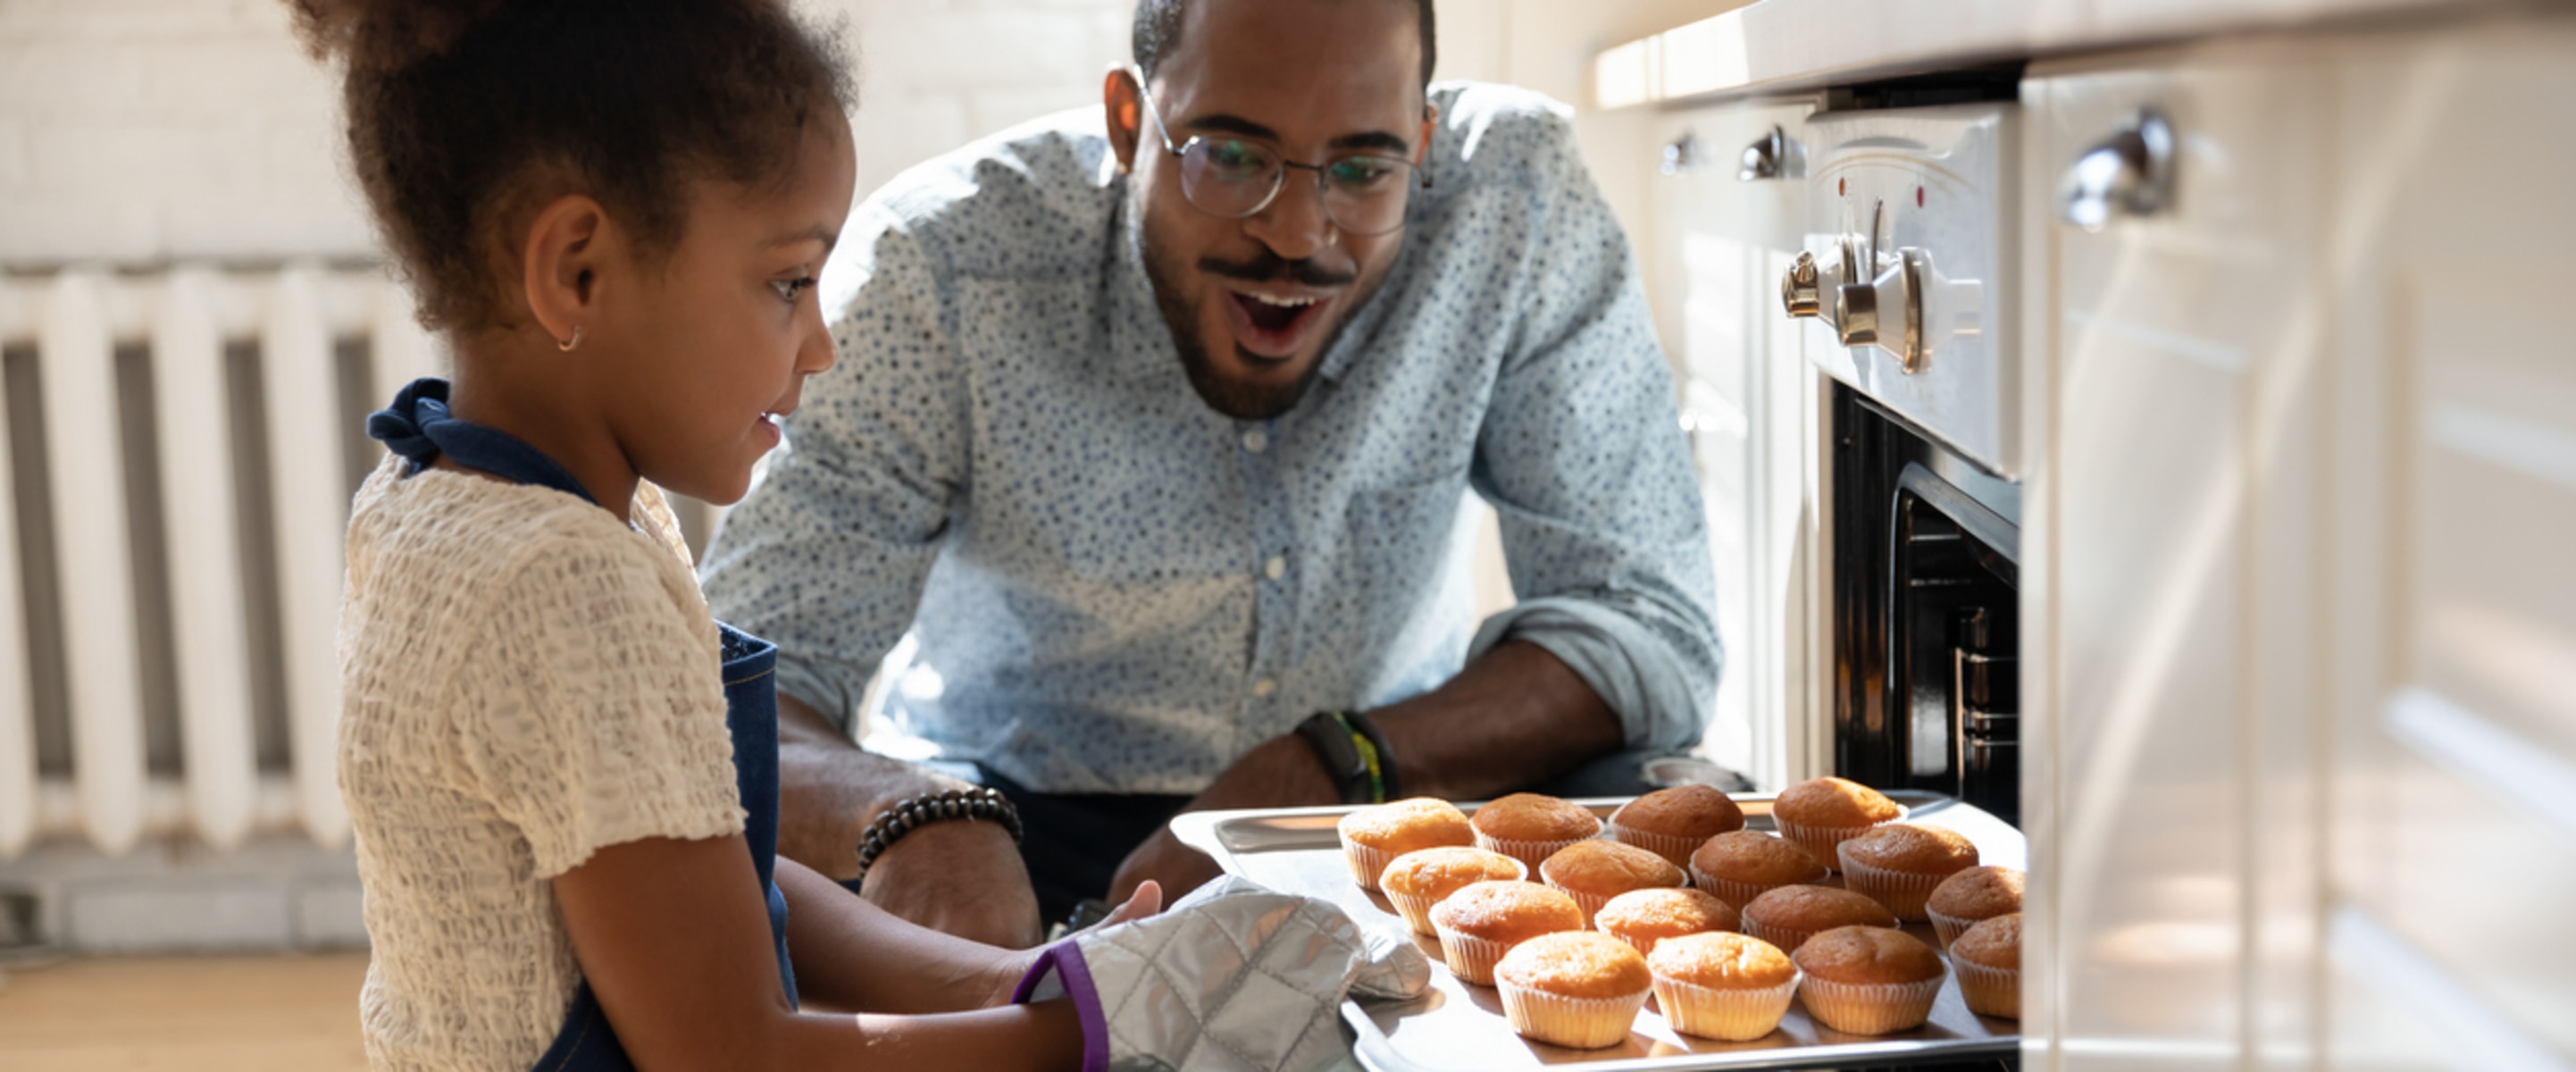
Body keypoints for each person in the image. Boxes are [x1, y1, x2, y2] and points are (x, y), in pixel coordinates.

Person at [309, 1, 1411, 1068]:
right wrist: (1099, 1025)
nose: (823, 343)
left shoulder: (444, 498)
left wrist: (1016, 985)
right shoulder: (568, 583)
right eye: (788, 282)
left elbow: (702, 888)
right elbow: (732, 1049)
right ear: (576, 270)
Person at [701, 0, 1724, 949]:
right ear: (1126, 119)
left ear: (1422, 140)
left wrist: (1319, 766)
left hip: (1381, 793)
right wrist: (910, 818)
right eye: (1231, 156)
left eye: (1362, 168)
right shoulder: (940, 264)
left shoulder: (1515, 197)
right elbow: (728, 689)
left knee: (1682, 814)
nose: (1295, 235)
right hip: (1004, 816)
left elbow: (1645, 623)